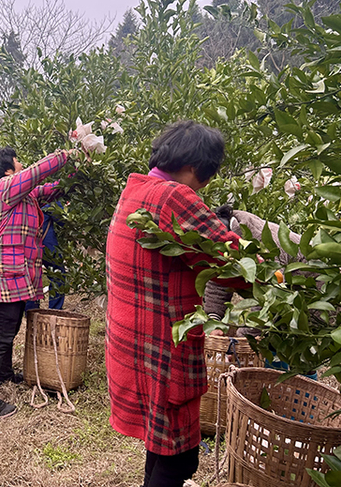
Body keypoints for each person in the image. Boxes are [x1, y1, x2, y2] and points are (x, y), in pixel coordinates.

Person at [105, 121, 249, 487]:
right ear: (196, 166)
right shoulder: (174, 197)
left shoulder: (135, 188)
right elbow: (229, 261)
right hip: (163, 354)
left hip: (131, 345)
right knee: (179, 460)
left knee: (161, 446)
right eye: (206, 176)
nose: (203, 187)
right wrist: (282, 279)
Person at [0, 147, 74, 419]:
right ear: (8, 169)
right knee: (0, 337)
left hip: (17, 276)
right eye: (18, 161)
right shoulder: (4, 187)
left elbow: (52, 188)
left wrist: (77, 173)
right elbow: (37, 173)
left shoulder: (24, 195)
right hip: (7, 276)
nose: (22, 164)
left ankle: (5, 374)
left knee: (10, 328)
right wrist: (68, 153)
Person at [25, 202, 66, 312]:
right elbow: (62, 219)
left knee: (30, 278)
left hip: (27, 247)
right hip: (47, 245)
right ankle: (55, 309)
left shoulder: (19, 198)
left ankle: (31, 312)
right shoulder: (47, 199)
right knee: (58, 274)